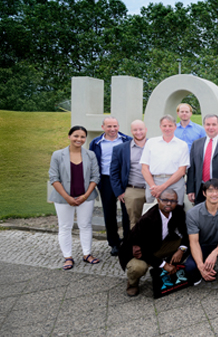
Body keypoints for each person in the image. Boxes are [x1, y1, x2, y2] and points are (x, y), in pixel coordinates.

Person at [118, 189, 189, 297]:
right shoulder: (148, 219)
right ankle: (132, 283)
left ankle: (168, 269)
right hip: (138, 252)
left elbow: (185, 233)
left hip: (158, 244)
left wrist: (181, 249)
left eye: (173, 201)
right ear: (158, 200)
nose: (169, 203)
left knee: (190, 244)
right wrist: (164, 265)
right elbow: (143, 251)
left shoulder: (178, 211)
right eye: (165, 200)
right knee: (138, 268)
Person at [49, 126, 101, 270]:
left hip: (86, 198)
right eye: (76, 136)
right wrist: (67, 198)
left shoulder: (90, 155)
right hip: (63, 198)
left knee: (85, 225)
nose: (79, 139)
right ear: (69, 136)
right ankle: (68, 257)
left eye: (82, 137)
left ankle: (87, 254)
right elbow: (54, 178)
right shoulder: (57, 155)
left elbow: (95, 177)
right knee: (65, 227)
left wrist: (85, 196)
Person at [89, 116, 131, 256]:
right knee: (109, 212)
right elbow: (92, 163)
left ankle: (128, 241)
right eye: (109, 126)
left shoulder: (127, 140)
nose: (112, 129)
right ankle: (114, 243)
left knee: (127, 212)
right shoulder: (96, 143)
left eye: (115, 126)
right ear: (103, 127)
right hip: (106, 180)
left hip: (124, 180)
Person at [185, 179, 218, 284]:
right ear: (204, 193)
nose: (214, 194)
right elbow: (194, 242)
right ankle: (201, 270)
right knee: (190, 267)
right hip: (202, 244)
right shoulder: (192, 213)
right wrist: (200, 266)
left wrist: (214, 253)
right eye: (210, 191)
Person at [187, 114, 218, 204]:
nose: (211, 127)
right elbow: (192, 169)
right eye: (208, 124)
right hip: (200, 189)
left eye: (214, 124)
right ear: (204, 126)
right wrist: (190, 189)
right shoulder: (196, 144)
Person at [110, 120, 148, 229]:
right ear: (131, 131)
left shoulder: (155, 146)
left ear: (146, 130)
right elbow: (114, 172)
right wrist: (119, 192)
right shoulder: (120, 149)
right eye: (135, 130)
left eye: (141, 129)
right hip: (133, 190)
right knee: (134, 222)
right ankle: (135, 241)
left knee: (154, 222)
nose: (138, 132)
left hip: (153, 190)